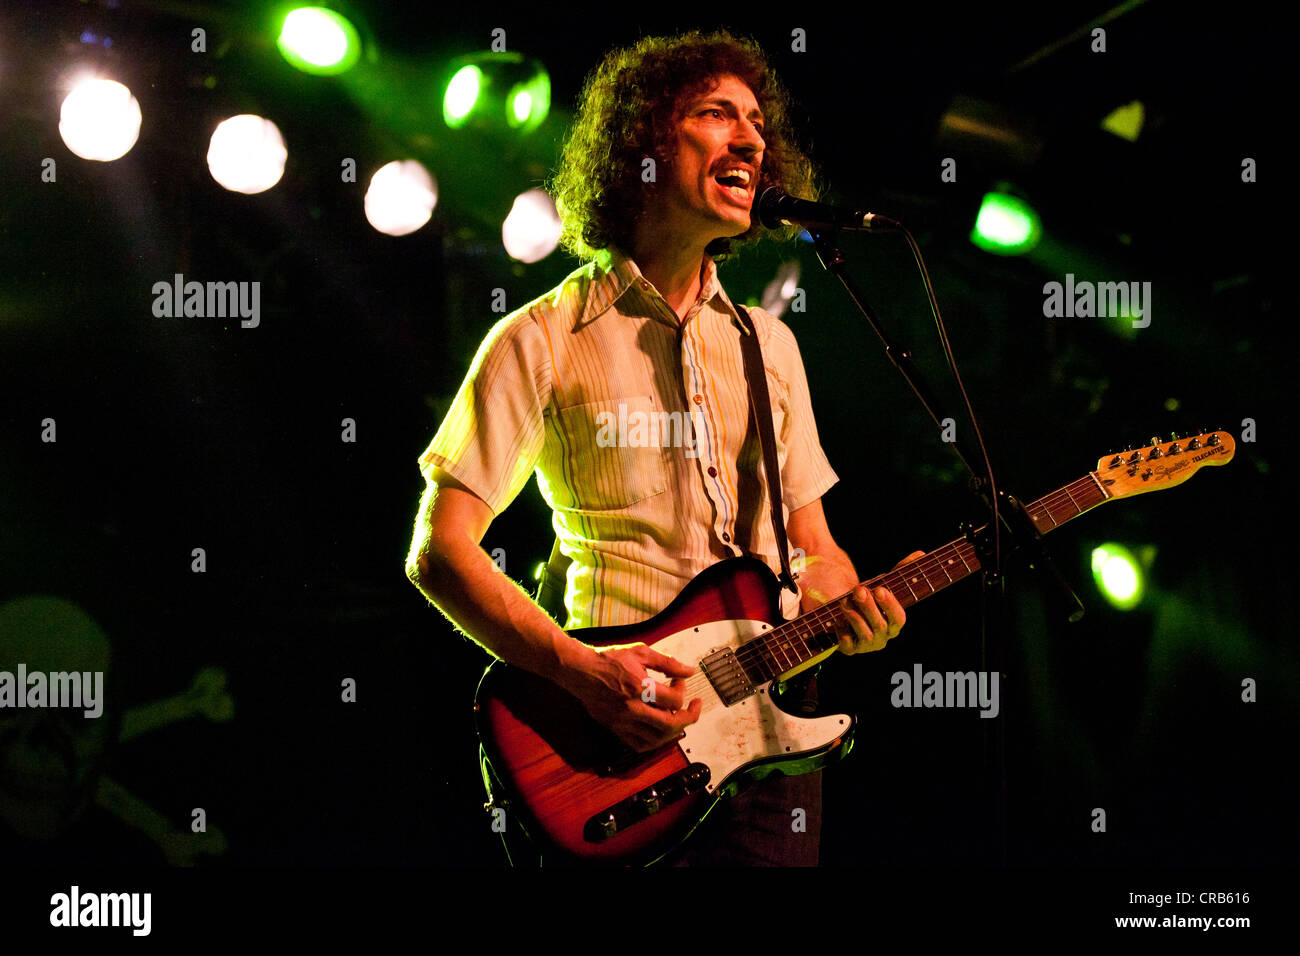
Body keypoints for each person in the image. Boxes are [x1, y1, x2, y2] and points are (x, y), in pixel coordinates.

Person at [405, 30, 920, 866]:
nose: (751, 139)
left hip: (770, 744)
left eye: (756, 122)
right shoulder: (541, 338)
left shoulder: (769, 347)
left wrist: (853, 608)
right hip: (614, 746)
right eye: (717, 115)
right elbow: (440, 552)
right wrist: (582, 675)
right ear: (642, 142)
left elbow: (815, 551)